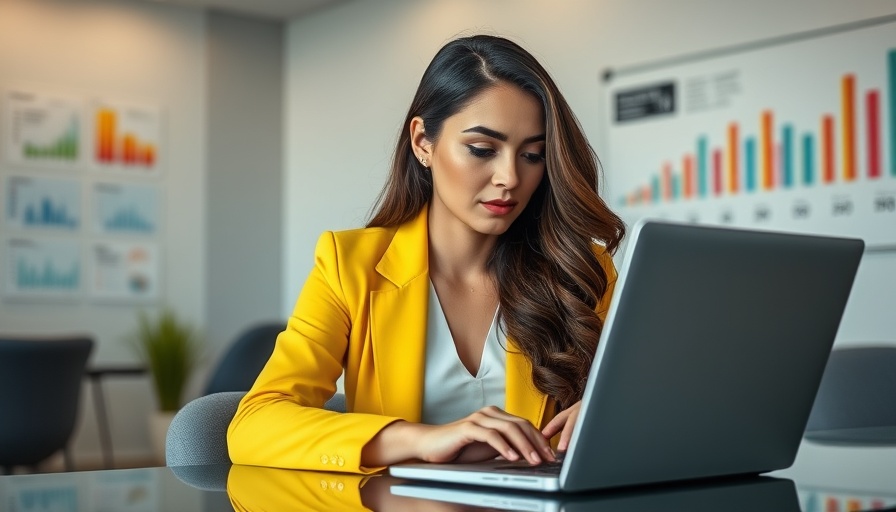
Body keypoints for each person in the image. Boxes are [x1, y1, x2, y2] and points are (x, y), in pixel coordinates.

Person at [227, 34, 625, 474]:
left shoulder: (581, 272)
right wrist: (422, 439)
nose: (510, 177)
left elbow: (646, 403)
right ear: (423, 143)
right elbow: (255, 422)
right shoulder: (350, 265)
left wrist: (612, 415)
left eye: (533, 155)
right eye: (482, 150)